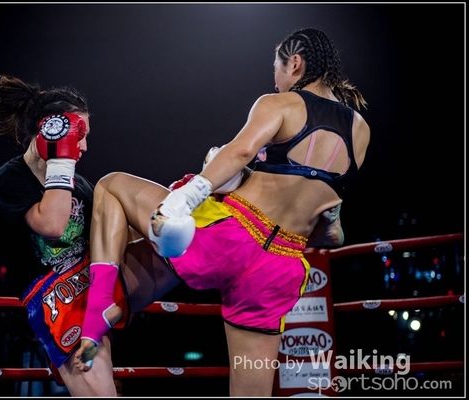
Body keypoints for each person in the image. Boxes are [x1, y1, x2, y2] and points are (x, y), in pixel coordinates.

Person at [74, 27, 370, 397]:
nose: (276, 81)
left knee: (111, 185)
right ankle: (129, 287)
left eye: (276, 69)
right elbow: (328, 232)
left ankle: (100, 307)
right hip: (279, 269)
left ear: (295, 63)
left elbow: (240, 151)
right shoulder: (360, 130)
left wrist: (185, 198)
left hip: (227, 239)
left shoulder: (280, 104)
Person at [0, 58, 181, 396]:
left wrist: (166, 211)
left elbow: (109, 238)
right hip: (57, 299)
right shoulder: (11, 178)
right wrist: (61, 156)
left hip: (98, 281)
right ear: (50, 130)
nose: (83, 146)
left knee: (173, 232)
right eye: (78, 134)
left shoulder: (81, 185)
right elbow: (53, 225)